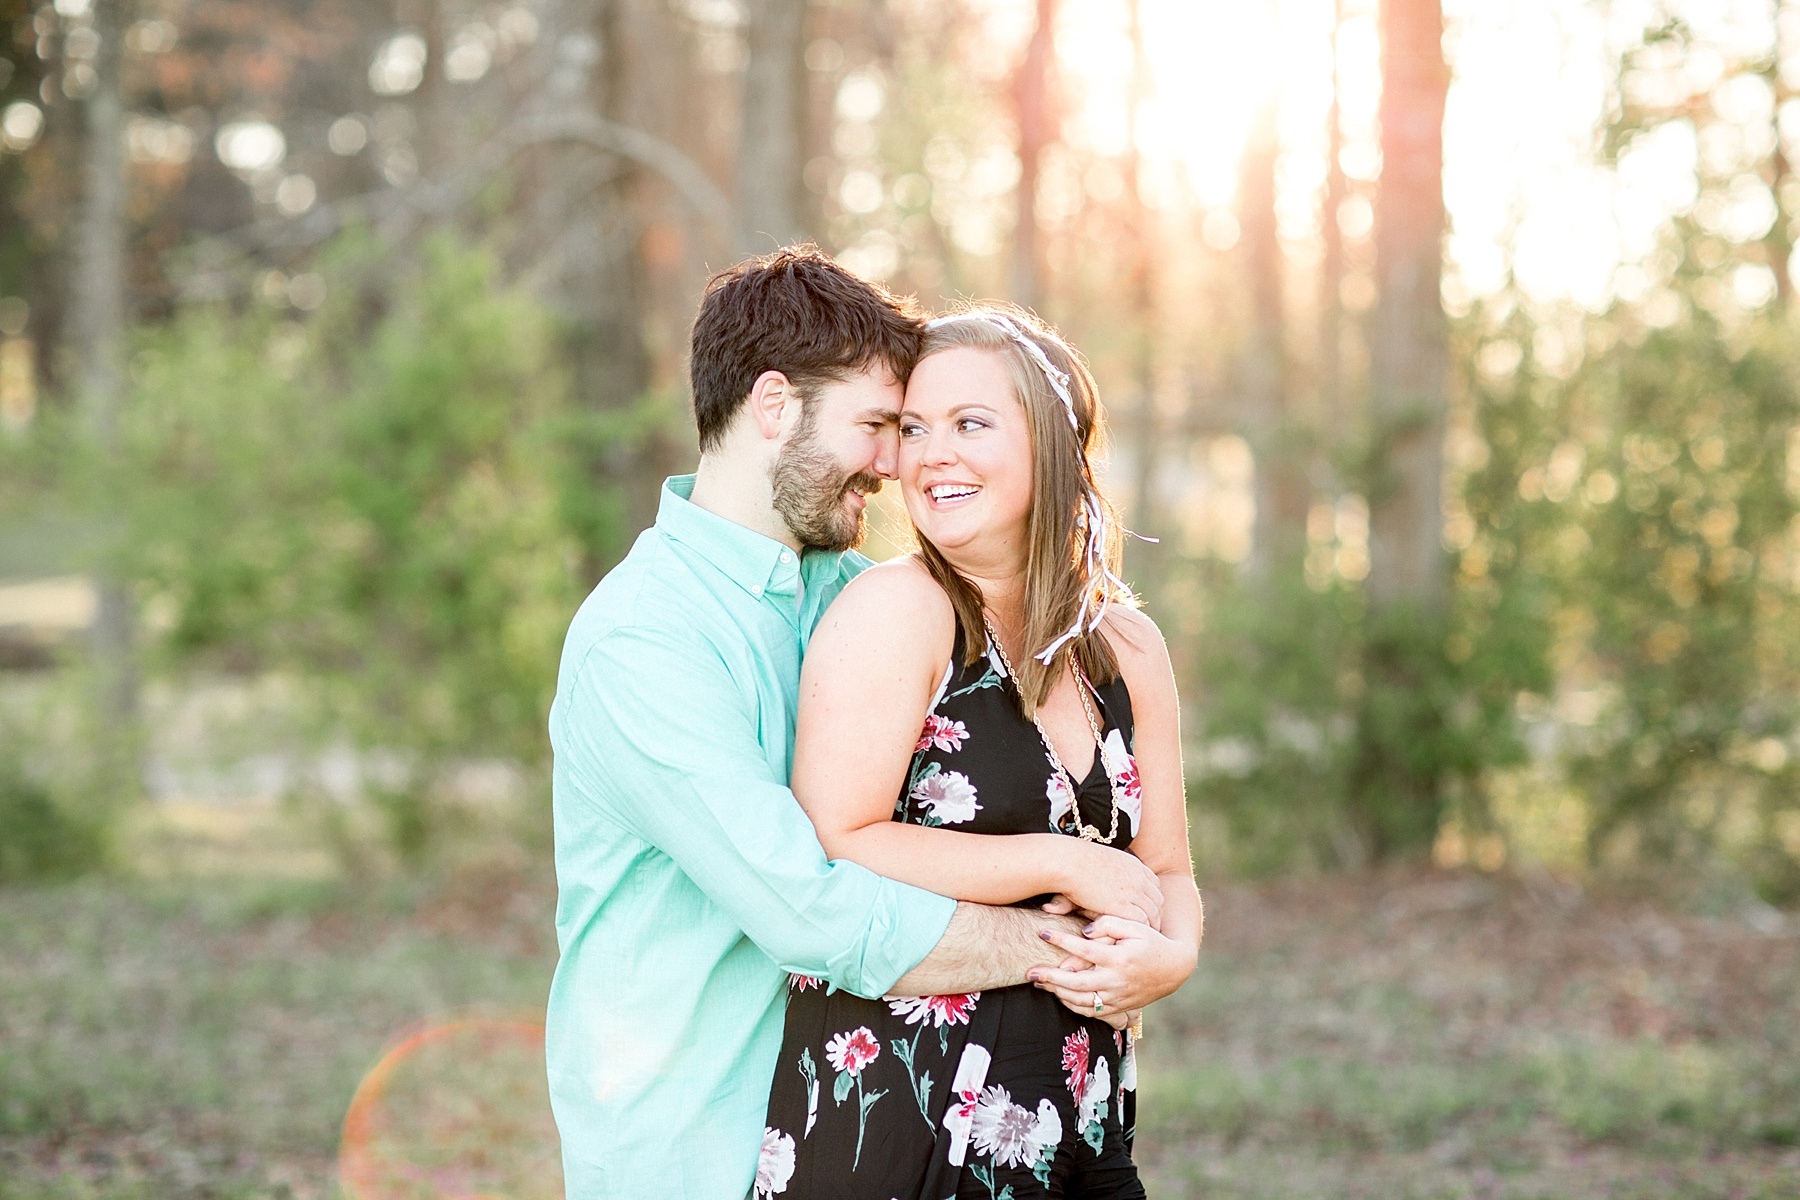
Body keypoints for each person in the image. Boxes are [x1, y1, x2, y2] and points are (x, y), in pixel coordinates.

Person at [544, 249, 1173, 1199]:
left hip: (862, 1120)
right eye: (880, 425)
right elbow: (809, 907)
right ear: (772, 405)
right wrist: (1074, 946)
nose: (895, 462)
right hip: (694, 1143)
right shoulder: (642, 642)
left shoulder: (854, 594)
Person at [762, 306, 1203, 1197]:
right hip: (906, 1117)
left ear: (1051, 442)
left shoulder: (1128, 647)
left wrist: (1174, 957)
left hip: (1083, 1117)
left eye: (970, 424)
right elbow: (839, 834)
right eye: (914, 429)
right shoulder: (899, 612)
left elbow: (1170, 868)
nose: (930, 455)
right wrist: (1062, 864)